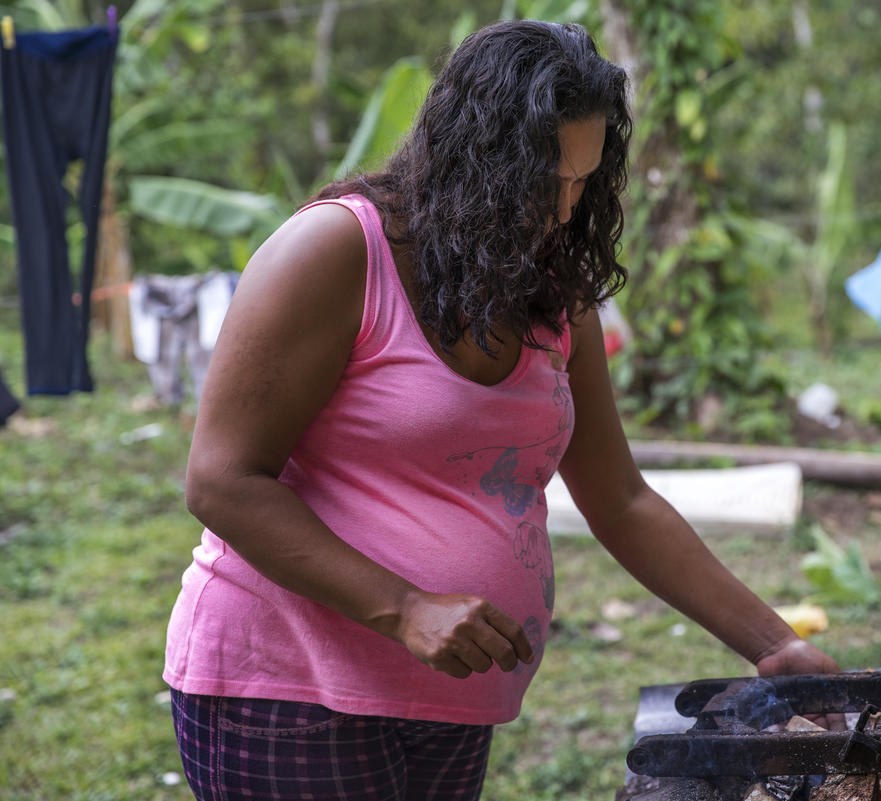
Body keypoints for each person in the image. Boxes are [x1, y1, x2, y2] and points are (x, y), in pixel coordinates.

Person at [163, 19, 838, 801]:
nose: (561, 210)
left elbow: (619, 499)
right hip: (287, 691)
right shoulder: (337, 252)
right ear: (473, 154)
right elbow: (221, 480)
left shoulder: (553, 290)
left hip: (448, 700)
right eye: (544, 181)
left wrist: (774, 642)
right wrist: (404, 608)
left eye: (582, 183)